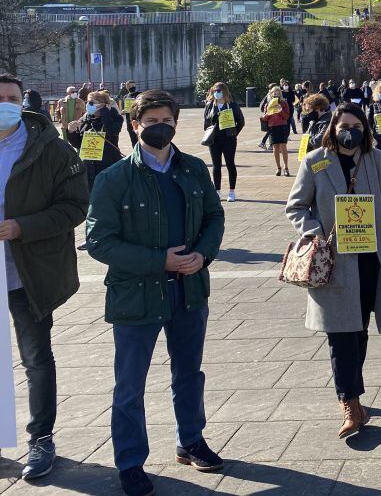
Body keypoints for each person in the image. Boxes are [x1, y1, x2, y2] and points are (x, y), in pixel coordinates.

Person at [85, 90, 226, 496]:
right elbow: (98, 240)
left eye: (166, 119)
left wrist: (203, 253)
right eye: (150, 121)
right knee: (129, 384)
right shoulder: (115, 178)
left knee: (189, 373)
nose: (160, 127)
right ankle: (130, 461)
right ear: (135, 125)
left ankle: (191, 440)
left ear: (176, 123)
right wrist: (157, 260)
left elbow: (214, 216)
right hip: (137, 295)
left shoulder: (194, 169)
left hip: (189, 291)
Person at [285, 102, 381, 438]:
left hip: (370, 261)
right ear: (333, 127)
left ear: (365, 129)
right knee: (340, 335)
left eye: (356, 125)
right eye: (343, 125)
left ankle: (353, 390)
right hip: (334, 263)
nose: (349, 131)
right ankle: (350, 404)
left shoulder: (378, 161)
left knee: (360, 330)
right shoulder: (316, 161)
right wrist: (317, 232)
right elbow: (295, 207)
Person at [0, 73, 88, 481]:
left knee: (36, 358)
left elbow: (74, 208)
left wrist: (22, 227)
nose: (5, 103)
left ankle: (41, 439)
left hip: (27, 275)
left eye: (11, 97)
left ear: (24, 101)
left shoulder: (50, 148)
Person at [203, 82, 245, 202]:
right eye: (215, 90)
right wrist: (213, 119)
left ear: (224, 92)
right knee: (216, 165)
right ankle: (217, 191)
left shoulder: (232, 105)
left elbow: (241, 122)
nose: (217, 93)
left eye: (219, 90)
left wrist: (233, 133)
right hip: (214, 140)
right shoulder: (210, 105)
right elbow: (205, 124)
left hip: (228, 140)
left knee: (230, 164)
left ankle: (232, 191)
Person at [262, 85, 292, 177]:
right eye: (274, 93)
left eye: (277, 93)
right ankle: (278, 167)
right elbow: (264, 118)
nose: (275, 95)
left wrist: (280, 110)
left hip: (282, 126)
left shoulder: (284, 103)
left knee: (283, 147)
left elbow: (287, 117)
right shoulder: (268, 104)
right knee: (275, 148)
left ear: (280, 94)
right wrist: (268, 113)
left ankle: (286, 167)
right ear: (271, 94)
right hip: (272, 127)